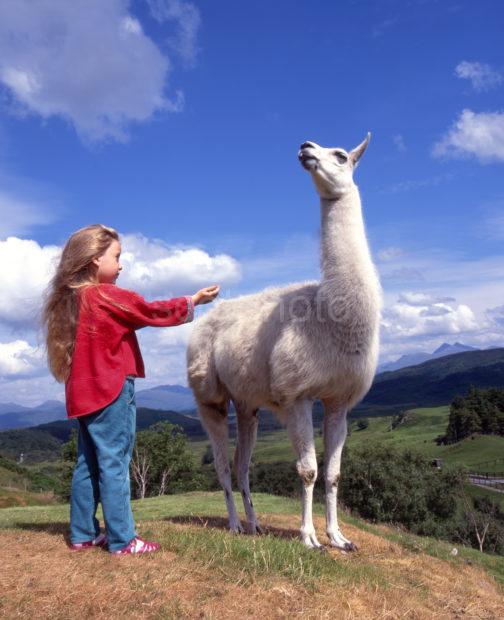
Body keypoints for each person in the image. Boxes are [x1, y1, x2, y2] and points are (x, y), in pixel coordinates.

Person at [42, 224, 219, 554]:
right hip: (111, 390)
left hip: (83, 394)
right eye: (117, 257)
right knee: (115, 463)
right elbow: (148, 311)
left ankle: (83, 534)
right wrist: (193, 301)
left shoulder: (72, 300)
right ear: (96, 259)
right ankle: (123, 539)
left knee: (88, 465)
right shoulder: (103, 295)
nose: (121, 265)